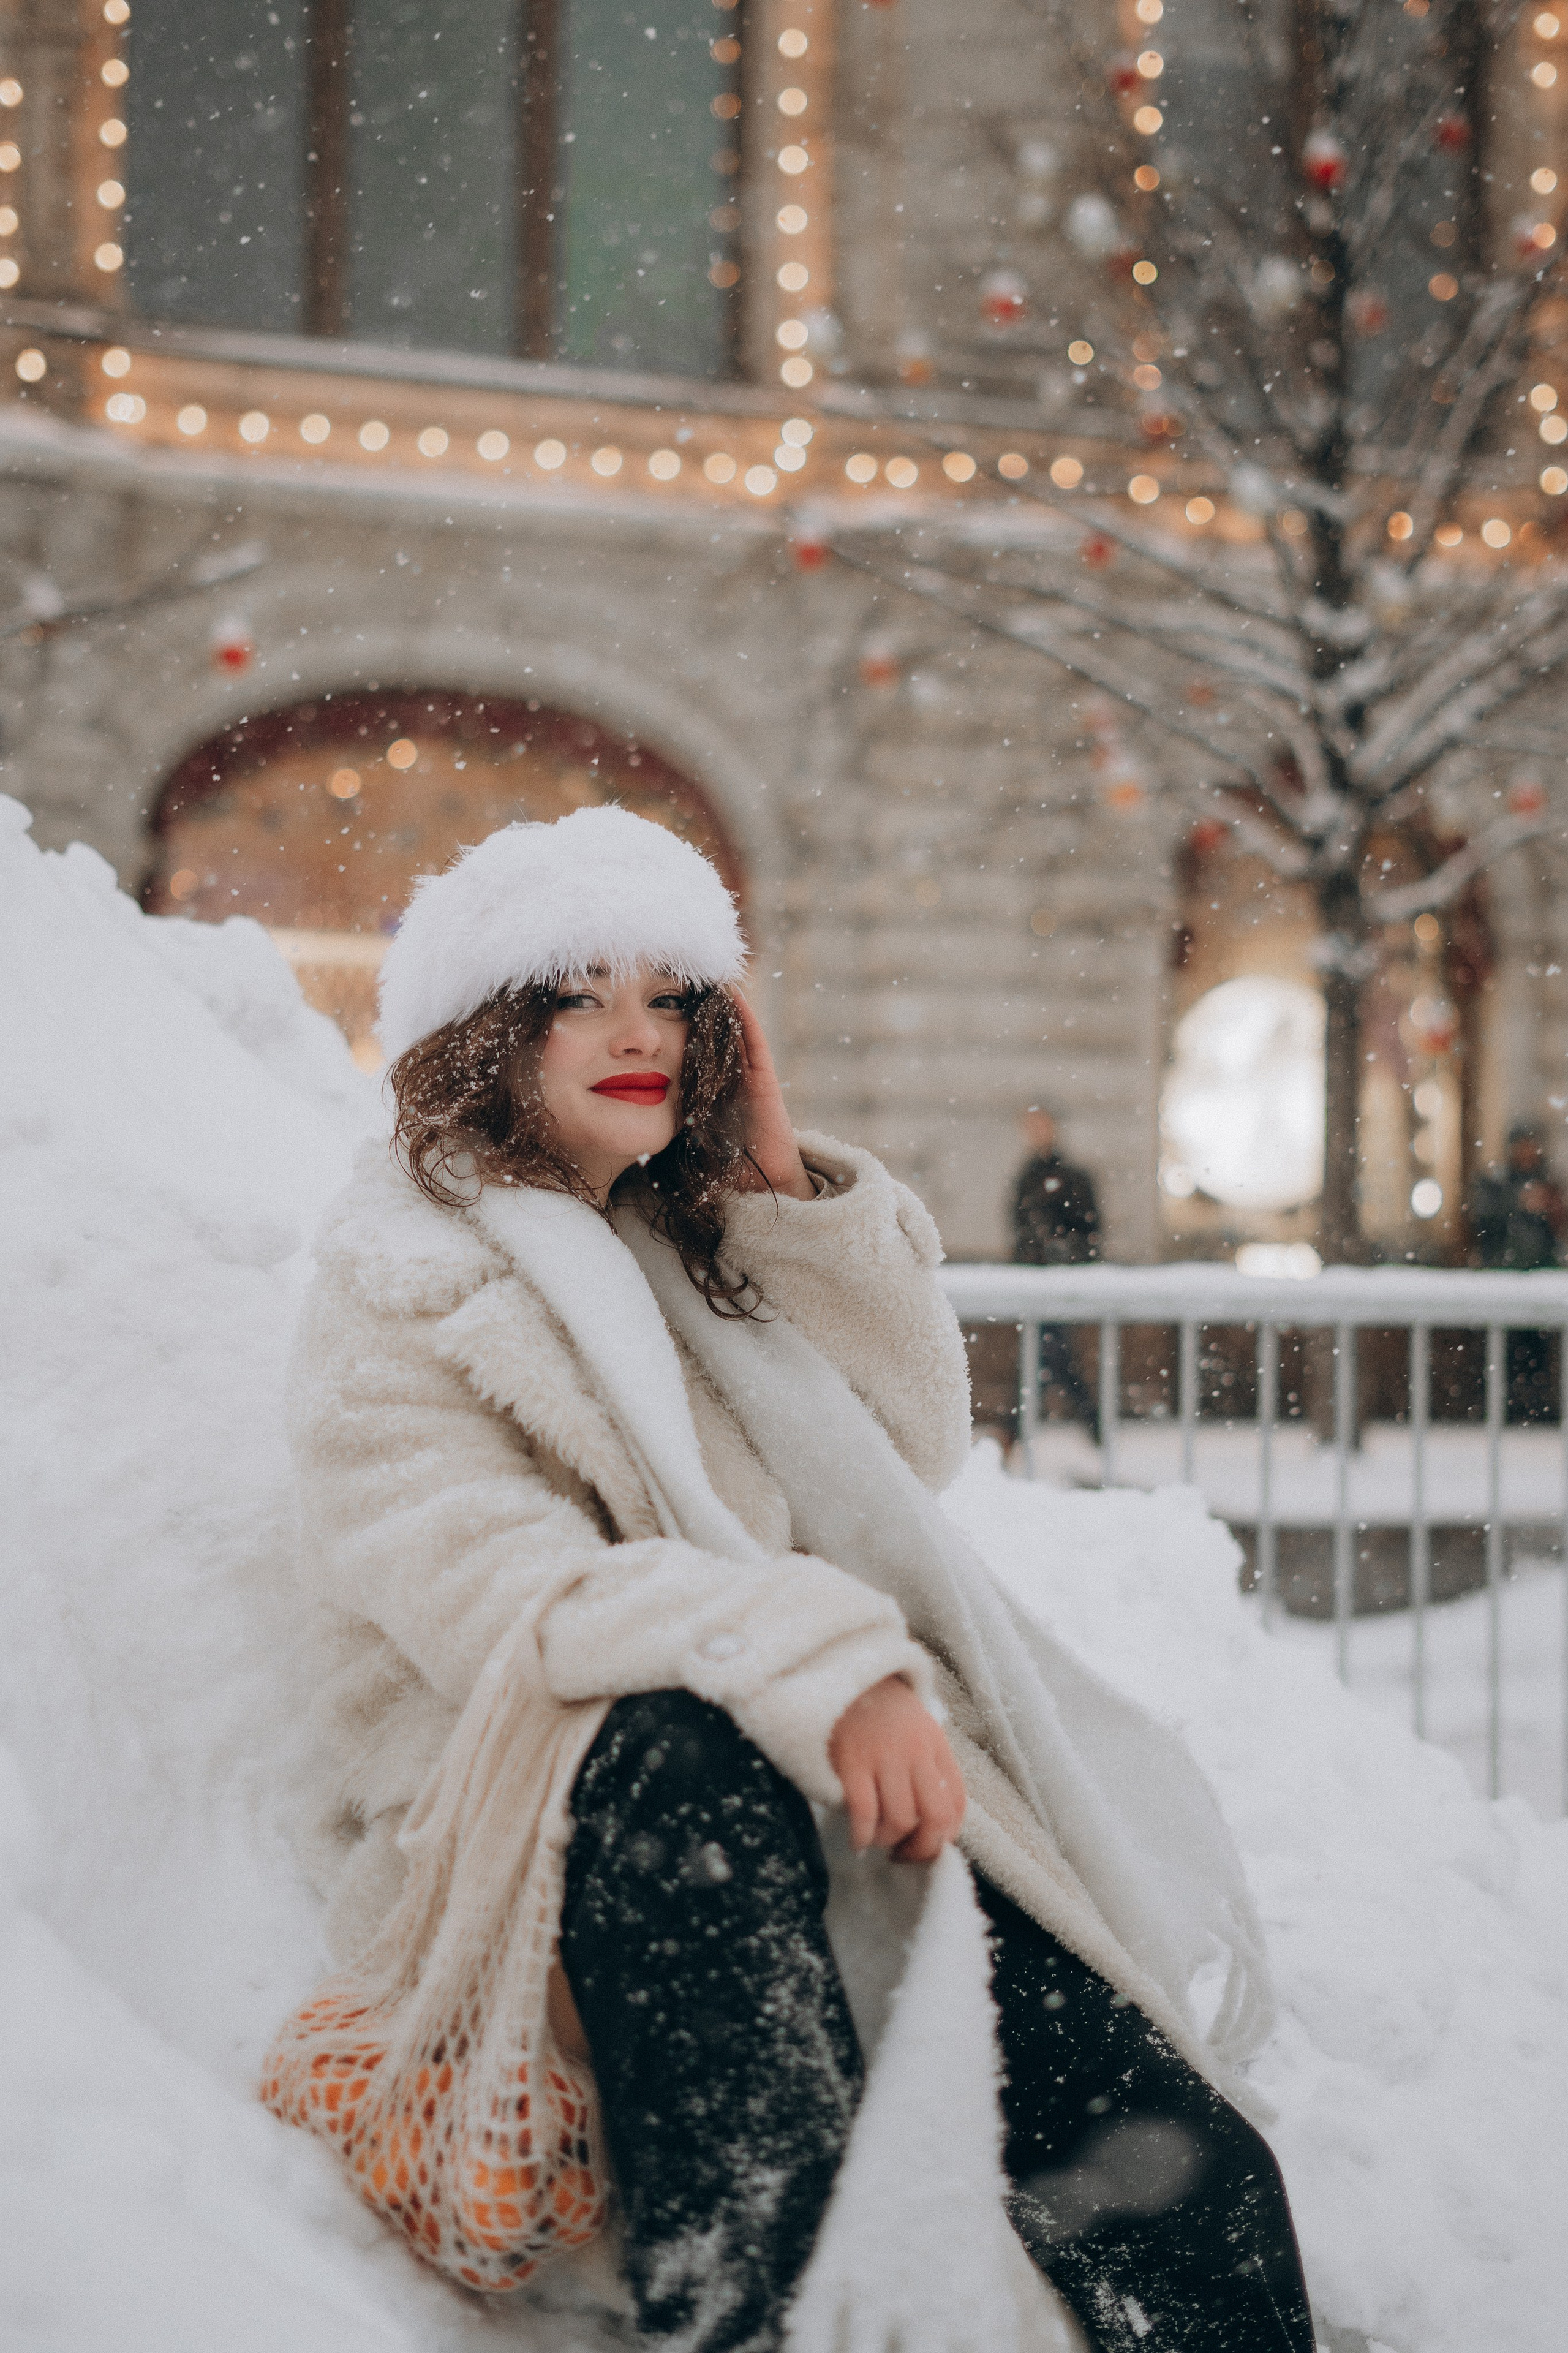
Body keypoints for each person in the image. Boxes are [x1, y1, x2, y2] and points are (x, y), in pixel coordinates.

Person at [275, 808, 1313, 2353]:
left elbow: (908, 1441)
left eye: (673, 996)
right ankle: (755, 2312)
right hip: (588, 1819)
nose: (640, 1033)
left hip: (818, 1780)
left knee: (1189, 2191)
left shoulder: (684, 1249)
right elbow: (502, 1595)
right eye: (579, 995)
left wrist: (776, 1187)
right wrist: (821, 1664)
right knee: (674, 1750)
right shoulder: (398, 1281)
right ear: (486, 1031)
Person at [1468, 1118, 1568, 1423]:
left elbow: (1555, 1231)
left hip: (1540, 1281)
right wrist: (1518, 1202)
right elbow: (1484, 1220)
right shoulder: (1497, 1183)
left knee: (1537, 1351)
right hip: (1505, 1280)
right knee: (1504, 1351)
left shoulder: (1547, 1183)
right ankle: (1504, 1408)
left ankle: (1535, 1407)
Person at [1012, 1106, 1103, 1442]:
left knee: (1048, 1355)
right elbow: (1019, 1231)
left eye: (1042, 1126)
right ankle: (1093, 1424)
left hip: (1062, 1283)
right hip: (1034, 1282)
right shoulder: (1026, 1177)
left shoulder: (1072, 1178)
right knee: (1049, 1356)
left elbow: (1090, 1230)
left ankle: (1013, 1429)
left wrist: (1063, 1250)